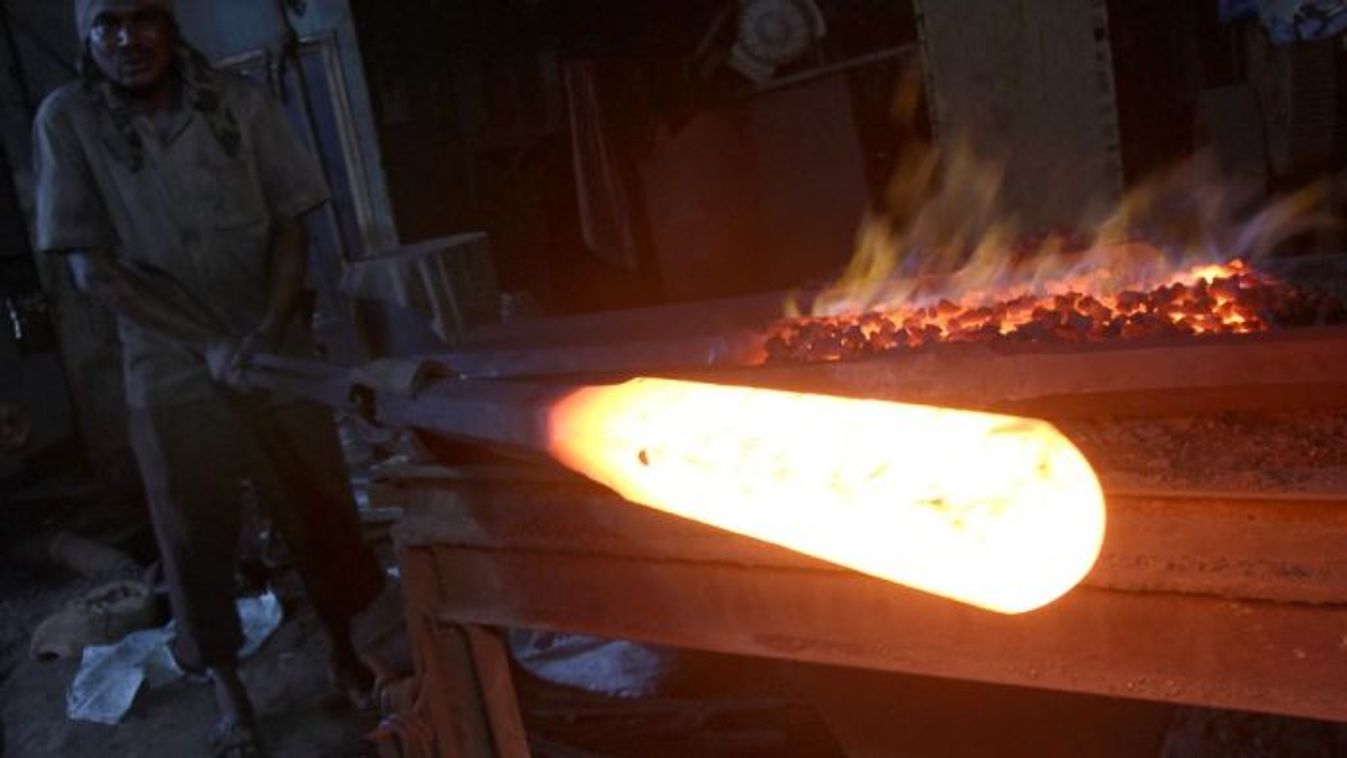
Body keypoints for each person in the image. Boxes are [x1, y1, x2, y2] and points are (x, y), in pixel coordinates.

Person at [33, 1, 384, 754]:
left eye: (143, 20)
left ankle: (346, 651)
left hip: (272, 342)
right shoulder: (69, 120)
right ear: (88, 39)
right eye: (107, 25)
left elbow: (291, 222)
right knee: (193, 534)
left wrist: (267, 327)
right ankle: (230, 692)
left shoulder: (238, 102)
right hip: (168, 363)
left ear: (170, 28)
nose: (127, 40)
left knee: (319, 510)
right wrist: (211, 345)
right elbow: (94, 270)